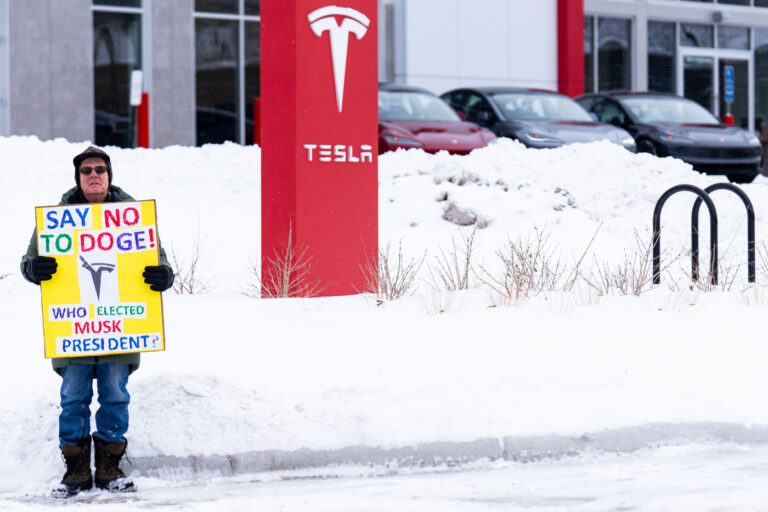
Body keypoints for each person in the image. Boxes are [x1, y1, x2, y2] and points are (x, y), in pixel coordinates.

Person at [20, 146, 174, 496]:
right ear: (78, 178)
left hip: (119, 329)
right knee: (73, 397)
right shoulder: (57, 219)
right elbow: (29, 260)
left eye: (100, 170)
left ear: (109, 176)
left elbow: (158, 259)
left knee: (115, 396)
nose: (93, 175)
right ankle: (75, 469)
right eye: (86, 170)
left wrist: (163, 274)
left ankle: (109, 467)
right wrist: (33, 268)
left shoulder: (133, 217)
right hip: (74, 328)